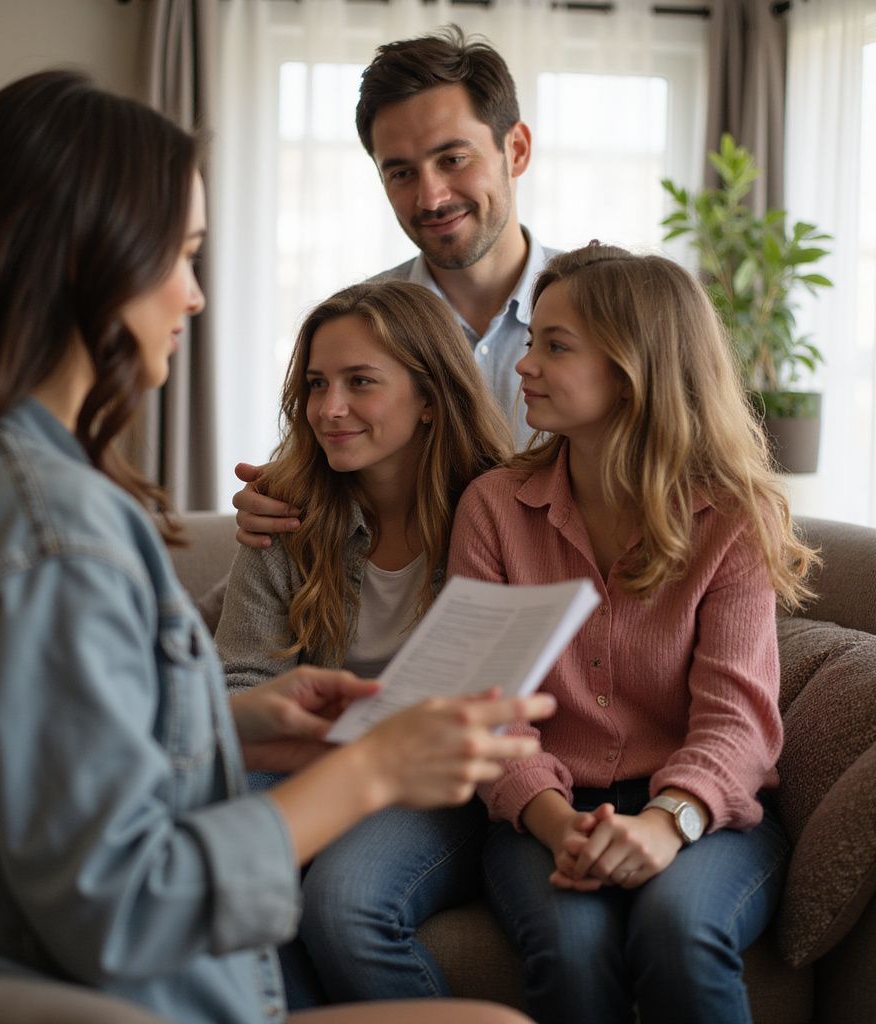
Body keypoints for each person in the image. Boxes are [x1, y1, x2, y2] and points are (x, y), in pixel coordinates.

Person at [0, 69, 554, 1024]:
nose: (192, 296)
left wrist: (238, 721)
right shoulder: (49, 536)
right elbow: (127, 901)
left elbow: (32, 759)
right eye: (179, 255)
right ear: (84, 264)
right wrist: (376, 767)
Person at [446, 243, 817, 1024]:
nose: (524, 365)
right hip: (545, 807)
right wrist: (557, 823)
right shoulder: (493, 507)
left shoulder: (734, 519)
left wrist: (666, 822)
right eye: (532, 341)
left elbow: (738, 720)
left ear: (632, 368)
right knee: (573, 946)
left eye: (555, 345)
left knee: (679, 927)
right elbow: (486, 705)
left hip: (703, 812)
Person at [214, 279, 514, 1005]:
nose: (329, 408)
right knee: (234, 873)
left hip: (440, 782)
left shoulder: (502, 512)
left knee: (344, 904)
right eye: (317, 384)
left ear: (431, 398)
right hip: (310, 759)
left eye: (360, 383)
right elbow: (238, 681)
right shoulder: (286, 512)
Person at [234, 24, 555, 545]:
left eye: (453, 159)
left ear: (515, 149)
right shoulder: (357, 326)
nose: (430, 198)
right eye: (401, 173)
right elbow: (320, 474)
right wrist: (274, 504)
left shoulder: (603, 310)